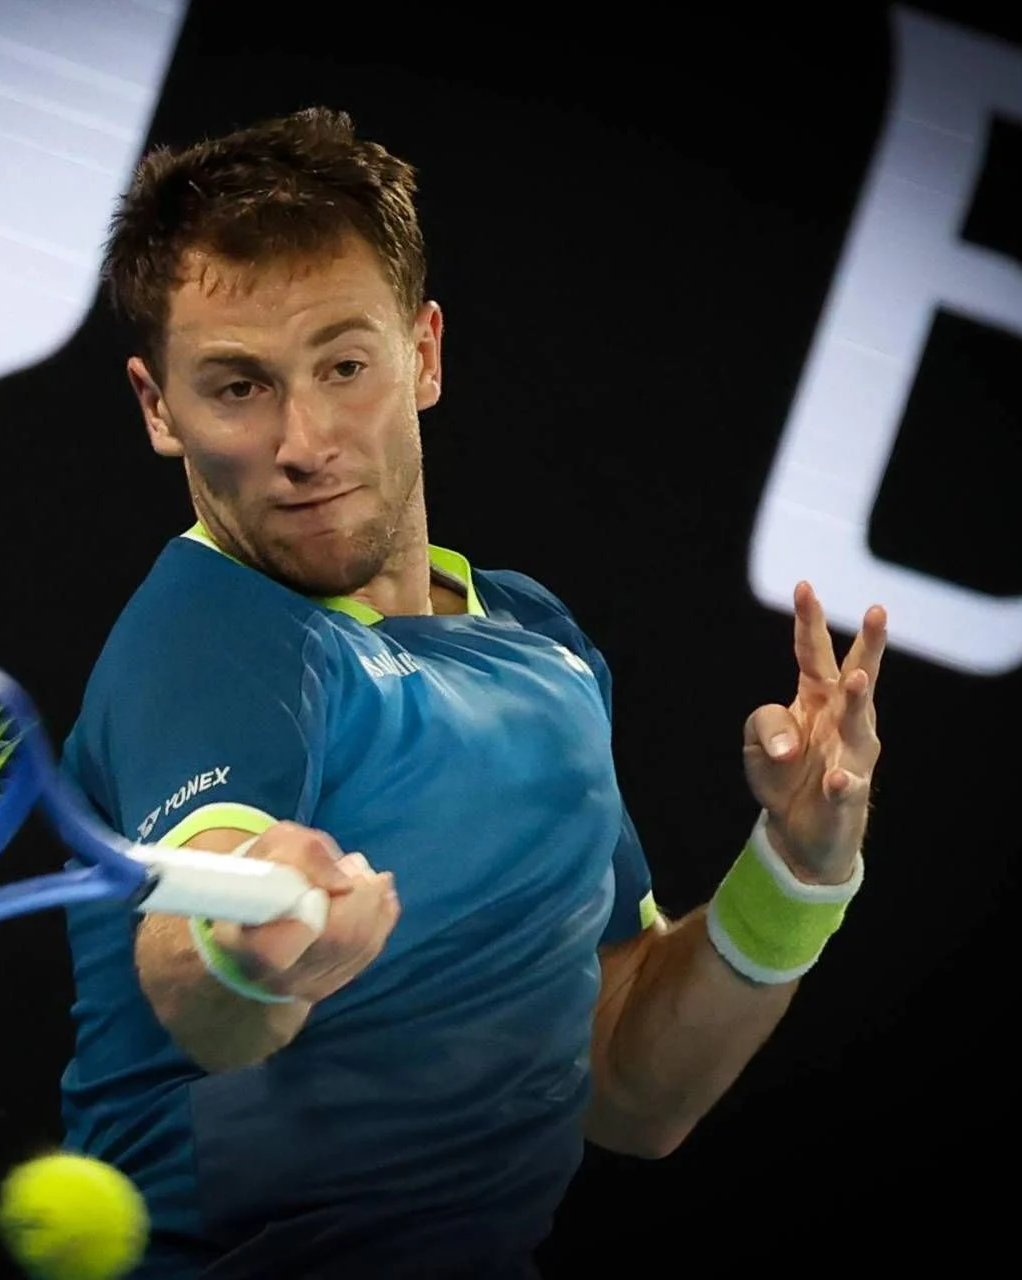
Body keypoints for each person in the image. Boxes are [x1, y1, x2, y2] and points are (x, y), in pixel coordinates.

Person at [54, 106, 887, 1279]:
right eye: (238, 386)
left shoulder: (539, 640)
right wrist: (253, 945)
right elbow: (198, 972)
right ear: (158, 407)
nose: (304, 440)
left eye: (345, 366)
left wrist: (797, 869)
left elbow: (630, 1088)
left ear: (425, 352)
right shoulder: (211, 634)